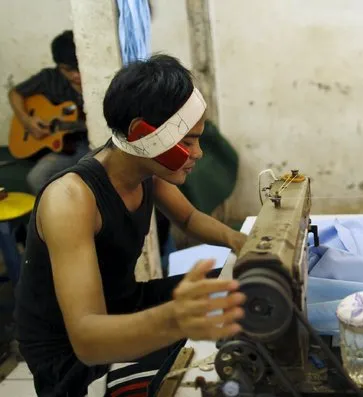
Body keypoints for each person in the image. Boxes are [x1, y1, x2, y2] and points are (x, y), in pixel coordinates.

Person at [14, 54, 249, 397]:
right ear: (145, 134)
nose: (197, 153)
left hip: (124, 306)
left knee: (237, 285)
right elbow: (87, 340)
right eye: (188, 141)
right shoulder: (71, 200)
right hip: (73, 357)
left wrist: (241, 241)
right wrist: (176, 320)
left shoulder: (146, 169)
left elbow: (188, 218)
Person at [8, 30, 91, 194]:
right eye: (68, 70)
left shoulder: (100, 78)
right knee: (36, 178)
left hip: (90, 143)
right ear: (59, 66)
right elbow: (14, 93)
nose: (75, 75)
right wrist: (26, 121)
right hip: (66, 147)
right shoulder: (50, 78)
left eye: (78, 67)